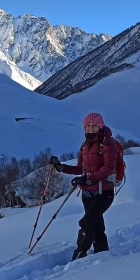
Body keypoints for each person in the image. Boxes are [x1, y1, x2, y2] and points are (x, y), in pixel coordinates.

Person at [50, 112, 117, 261]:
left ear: (100, 126)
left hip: (103, 192)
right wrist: (62, 167)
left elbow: (108, 168)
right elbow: (81, 168)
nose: (90, 129)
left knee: (86, 222)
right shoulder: (85, 146)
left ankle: (80, 253)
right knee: (96, 224)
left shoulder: (107, 143)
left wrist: (88, 178)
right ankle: (102, 253)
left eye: (94, 125)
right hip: (87, 193)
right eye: (88, 126)